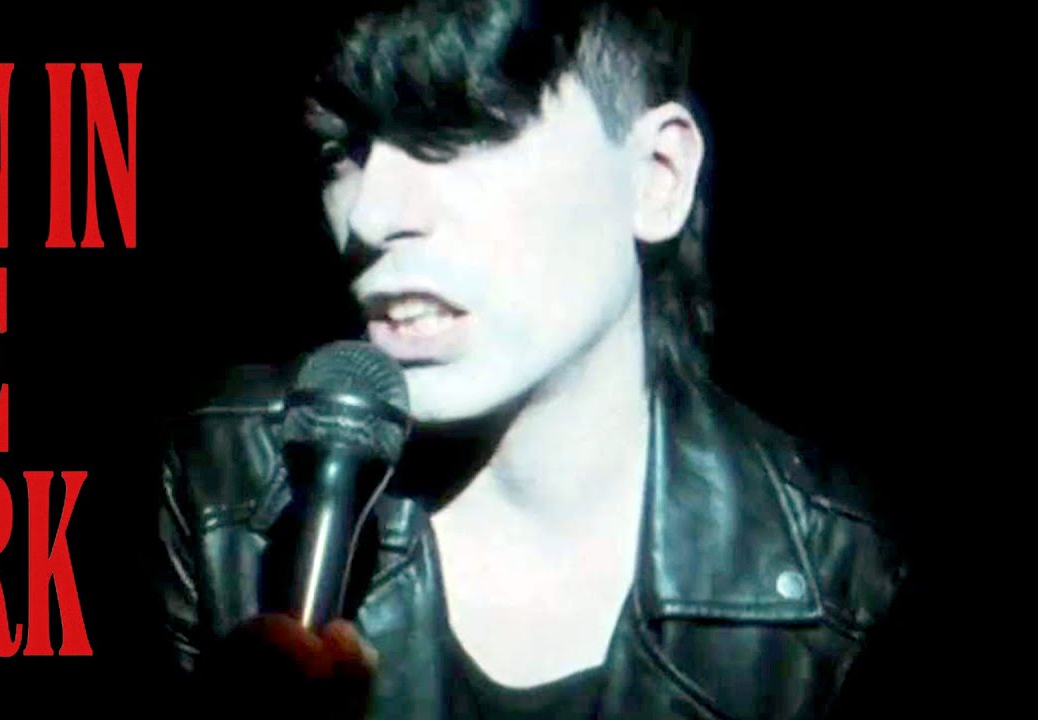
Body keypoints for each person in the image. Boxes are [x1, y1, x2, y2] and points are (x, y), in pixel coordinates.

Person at [155, 2, 909, 718]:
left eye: (456, 131)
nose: (371, 215)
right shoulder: (227, 482)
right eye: (343, 151)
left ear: (658, 175)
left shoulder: (847, 577)